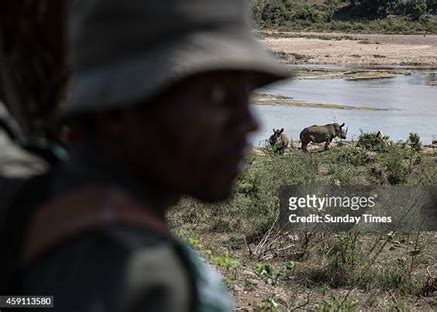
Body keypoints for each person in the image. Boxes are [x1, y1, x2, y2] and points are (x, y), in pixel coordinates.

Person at [10, 0, 291, 311]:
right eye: (219, 95)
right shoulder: (150, 283)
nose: (252, 123)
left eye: (248, 95)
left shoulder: (22, 197)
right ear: (119, 112)